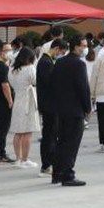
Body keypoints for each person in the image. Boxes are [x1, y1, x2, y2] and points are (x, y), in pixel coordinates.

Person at [51, 35, 92, 186]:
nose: (85, 49)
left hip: (61, 108)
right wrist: (88, 107)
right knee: (72, 143)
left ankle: (57, 173)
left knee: (62, 141)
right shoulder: (79, 64)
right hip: (75, 109)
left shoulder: (59, 62)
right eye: (83, 46)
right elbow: (83, 88)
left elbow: (53, 84)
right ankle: (68, 174)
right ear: (75, 46)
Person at [36, 39, 65, 176]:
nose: (61, 55)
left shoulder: (46, 61)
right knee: (50, 136)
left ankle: (49, 163)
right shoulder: (46, 62)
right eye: (61, 52)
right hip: (50, 105)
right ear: (56, 49)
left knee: (50, 134)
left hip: (49, 104)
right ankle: (47, 164)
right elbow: (51, 83)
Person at [8, 47, 40, 168]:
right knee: (27, 131)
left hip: (18, 99)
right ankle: (25, 159)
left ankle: (18, 159)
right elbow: (36, 81)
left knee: (18, 132)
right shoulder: (30, 68)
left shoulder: (12, 70)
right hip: (29, 100)